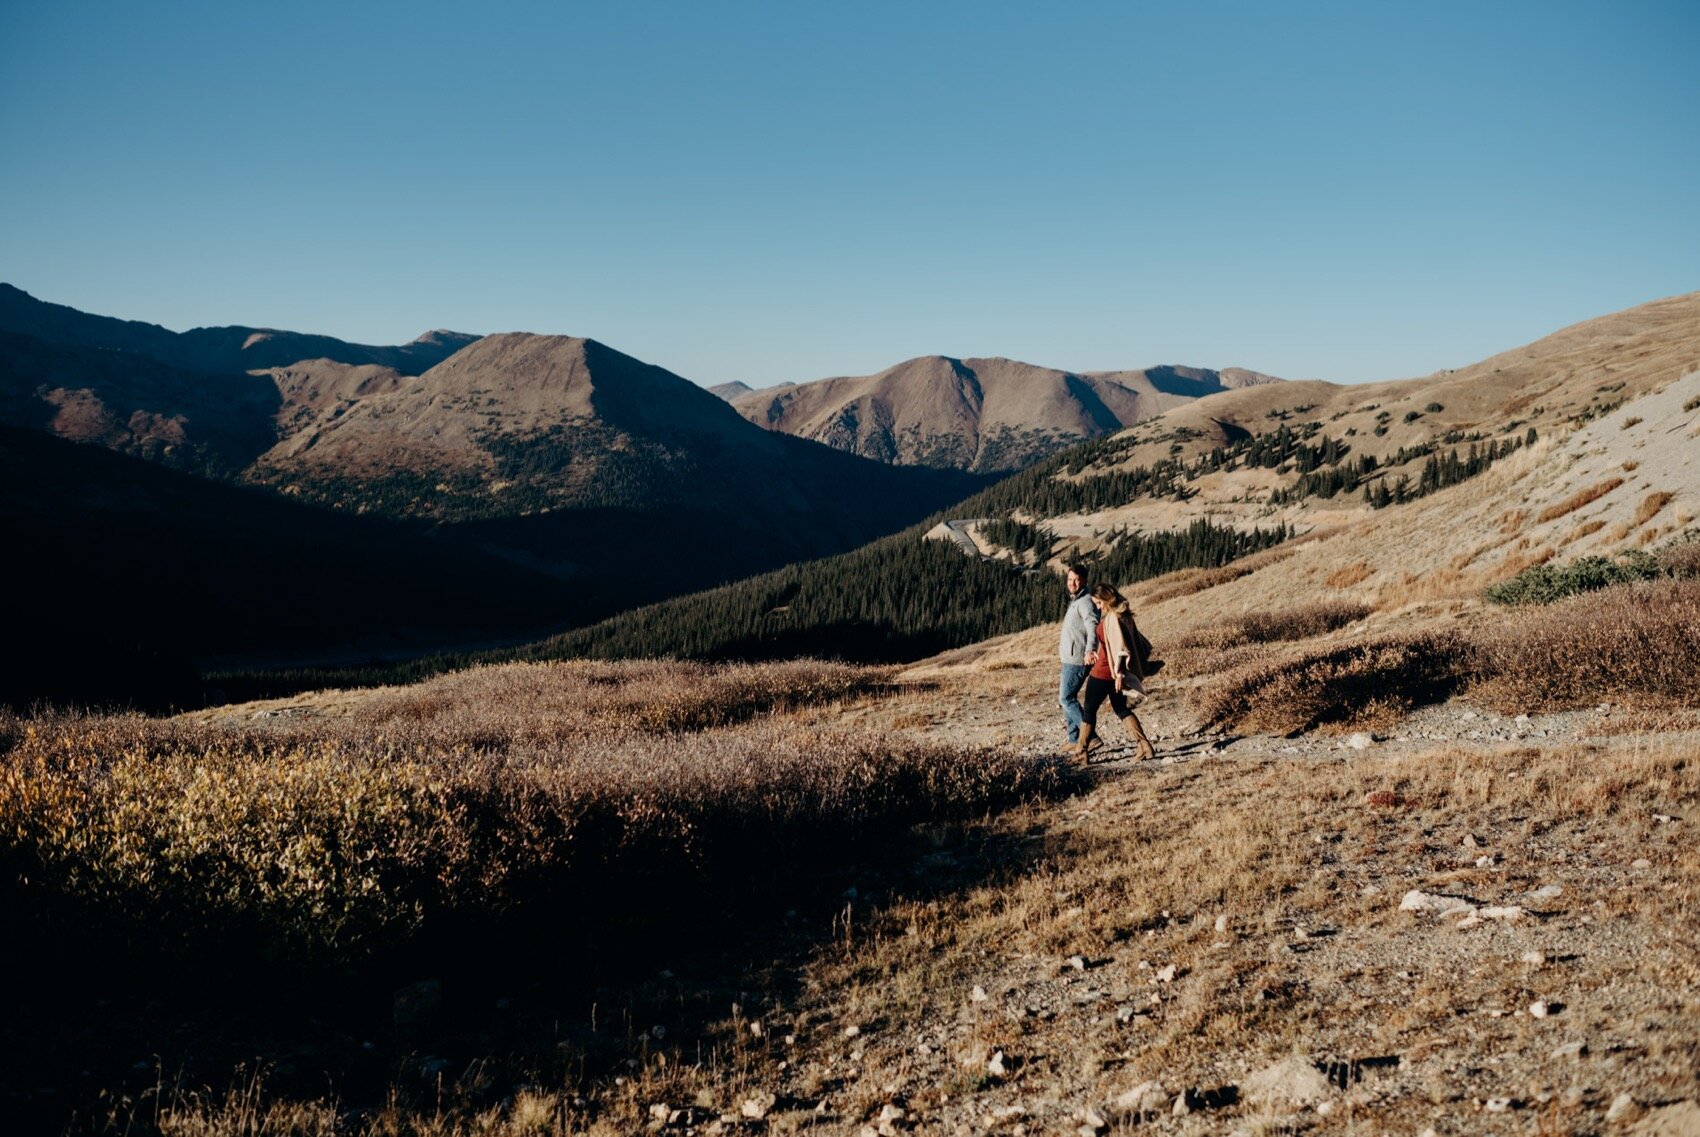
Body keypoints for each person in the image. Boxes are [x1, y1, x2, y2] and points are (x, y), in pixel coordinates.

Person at [1077, 583, 1157, 763]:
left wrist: (1119, 673)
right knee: (1121, 708)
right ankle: (1144, 746)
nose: (1098, 607)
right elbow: (1125, 642)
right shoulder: (1124, 614)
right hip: (1112, 671)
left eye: (1098, 603)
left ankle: (1081, 752)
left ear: (1106, 599)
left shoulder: (1112, 618)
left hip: (1104, 671)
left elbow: (1120, 648)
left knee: (1089, 709)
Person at [1057, 564, 1098, 749]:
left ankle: (1091, 737)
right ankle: (1074, 739)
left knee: (1065, 699)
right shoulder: (1076, 599)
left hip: (1078, 660)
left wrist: (1090, 650)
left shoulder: (1085, 601)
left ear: (1084, 580)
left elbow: (1093, 626)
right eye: (1069, 579)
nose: (1072, 583)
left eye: (1076, 580)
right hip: (1070, 658)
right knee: (1069, 698)